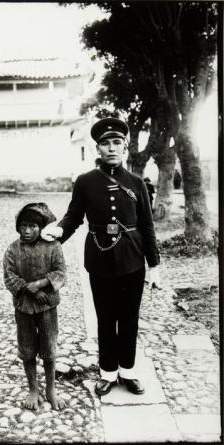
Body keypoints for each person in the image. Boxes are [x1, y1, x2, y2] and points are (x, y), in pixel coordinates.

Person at [41, 117, 161, 397]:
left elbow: (147, 226)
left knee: (129, 318)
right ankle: (108, 373)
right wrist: (58, 231)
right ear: (97, 148)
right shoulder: (85, 182)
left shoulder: (137, 183)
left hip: (132, 260)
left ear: (125, 147)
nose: (111, 148)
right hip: (100, 259)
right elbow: (74, 216)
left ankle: (128, 372)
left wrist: (154, 264)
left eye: (116, 143)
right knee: (105, 318)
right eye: (105, 143)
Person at [3, 202, 67, 410]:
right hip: (23, 307)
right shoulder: (13, 249)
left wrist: (40, 284)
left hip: (47, 307)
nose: (27, 231)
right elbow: (9, 276)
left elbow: (60, 272)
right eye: (23, 226)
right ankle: (33, 388)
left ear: (41, 228)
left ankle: (50, 389)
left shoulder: (53, 247)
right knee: (27, 349)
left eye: (32, 226)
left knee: (49, 348)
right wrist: (28, 289)